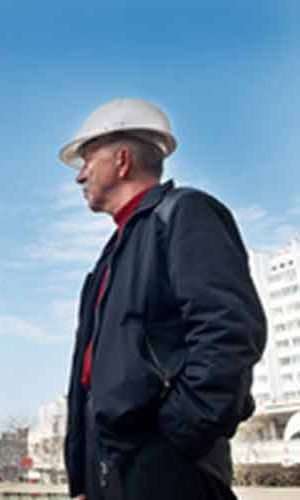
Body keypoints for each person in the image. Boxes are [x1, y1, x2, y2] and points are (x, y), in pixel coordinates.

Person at [58, 98, 266, 500]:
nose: (79, 177)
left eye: (87, 161)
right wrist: (84, 478)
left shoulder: (185, 215)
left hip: (164, 468)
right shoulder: (114, 252)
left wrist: (176, 439)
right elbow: (90, 380)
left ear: (121, 161)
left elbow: (229, 332)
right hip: (111, 470)